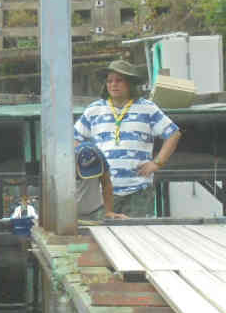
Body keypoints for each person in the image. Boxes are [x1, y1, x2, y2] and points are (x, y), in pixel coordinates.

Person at [74, 59, 182, 217]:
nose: (113, 84)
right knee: (105, 237)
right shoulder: (94, 109)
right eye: (109, 81)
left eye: (119, 80)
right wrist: (88, 166)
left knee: (137, 236)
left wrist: (156, 163)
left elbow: (173, 134)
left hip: (138, 190)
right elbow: (75, 139)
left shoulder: (147, 108)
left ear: (130, 83)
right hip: (103, 191)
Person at [75, 141, 128, 224]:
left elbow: (106, 184)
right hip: (69, 213)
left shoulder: (99, 156)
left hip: (95, 210)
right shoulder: (64, 160)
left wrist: (109, 211)